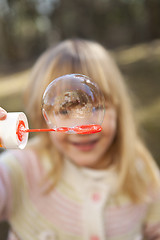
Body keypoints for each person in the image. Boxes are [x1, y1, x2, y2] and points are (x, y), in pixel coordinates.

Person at [0, 39, 160, 240]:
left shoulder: (141, 172)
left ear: (119, 110)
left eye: (97, 107)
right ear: (43, 118)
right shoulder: (19, 167)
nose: (81, 127)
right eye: (64, 110)